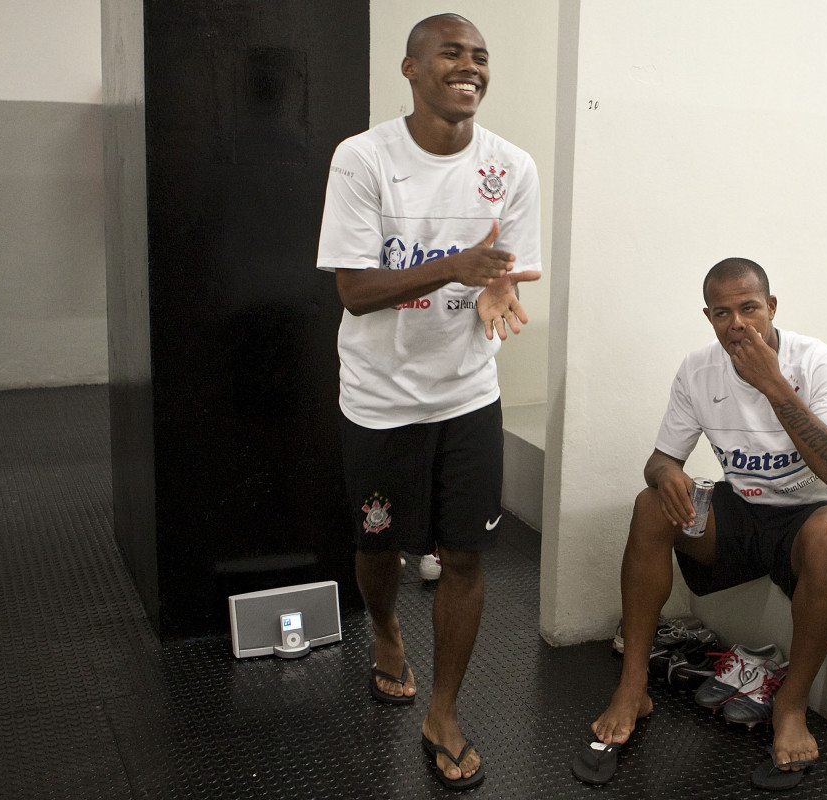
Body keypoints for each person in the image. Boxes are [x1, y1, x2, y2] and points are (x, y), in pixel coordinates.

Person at [315, 13, 541, 791]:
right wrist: (456, 267)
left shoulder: (512, 167)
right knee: (379, 547)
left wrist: (496, 289)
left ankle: (443, 711)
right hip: (379, 401)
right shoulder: (364, 159)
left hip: (469, 396)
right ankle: (384, 632)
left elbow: (506, 269)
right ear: (411, 70)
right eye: (451, 53)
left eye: (481, 55)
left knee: (469, 555)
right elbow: (353, 289)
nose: (470, 66)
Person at [586, 258, 827, 791]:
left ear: (772, 307)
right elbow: (660, 459)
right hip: (741, 511)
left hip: (813, 516)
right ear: (709, 317)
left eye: (749, 308)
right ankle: (633, 687)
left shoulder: (818, 362)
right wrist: (668, 474)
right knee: (650, 505)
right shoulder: (698, 369)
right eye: (722, 313)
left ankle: (790, 706)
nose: (737, 323)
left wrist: (774, 385)